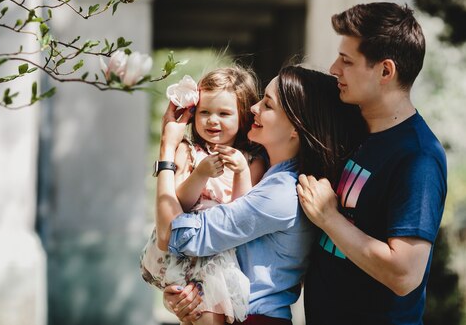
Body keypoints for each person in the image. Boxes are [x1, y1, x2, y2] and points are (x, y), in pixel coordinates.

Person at [156, 65, 366, 325]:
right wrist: (183, 293)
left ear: (295, 128)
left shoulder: (281, 193)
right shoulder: (266, 172)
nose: (254, 108)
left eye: (267, 104)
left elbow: (176, 235)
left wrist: (167, 148)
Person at [297, 2, 447, 325]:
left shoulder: (418, 157)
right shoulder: (352, 126)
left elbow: (405, 274)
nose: (334, 68)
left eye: (347, 61)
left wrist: (328, 218)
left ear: (385, 71)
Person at [141, 67, 267, 325]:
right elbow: (179, 202)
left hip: (220, 252)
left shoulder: (252, 161)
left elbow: (241, 213)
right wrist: (200, 174)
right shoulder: (189, 152)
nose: (212, 120)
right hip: (185, 248)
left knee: (212, 311)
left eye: (224, 113)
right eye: (205, 112)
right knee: (192, 311)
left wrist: (241, 172)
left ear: (242, 118)